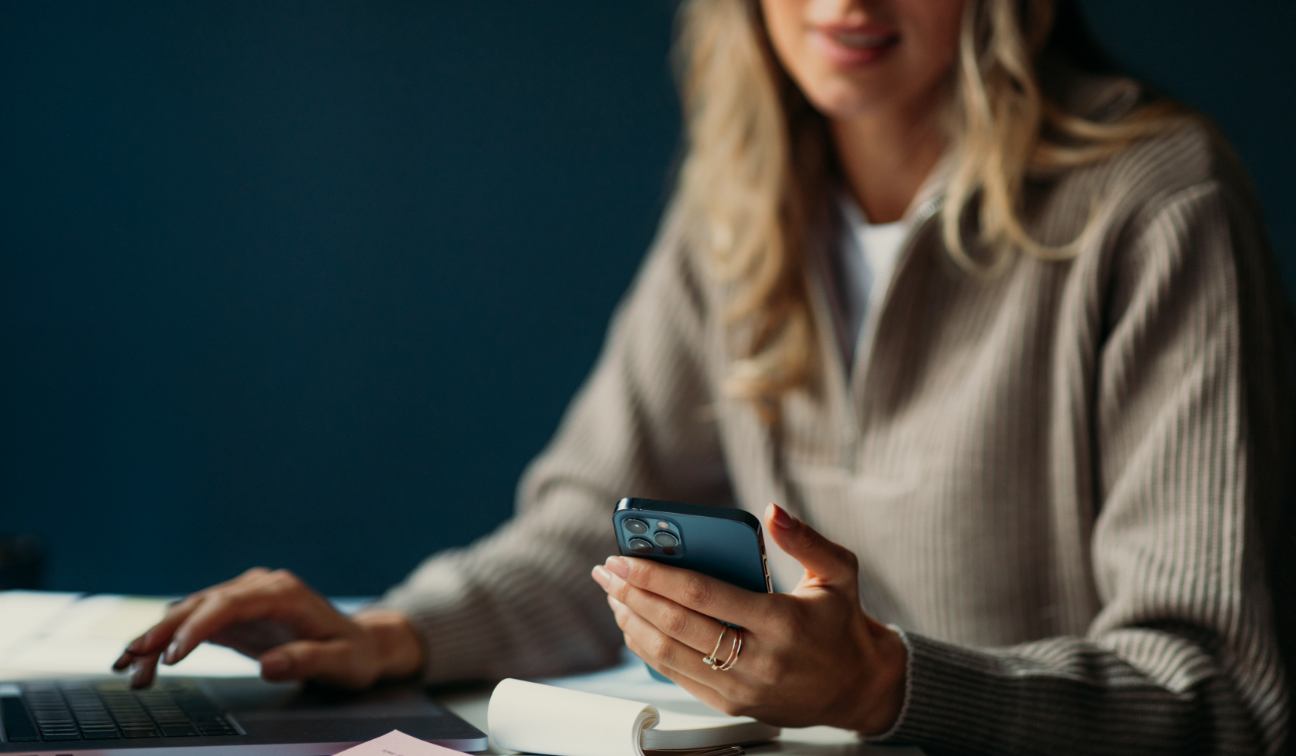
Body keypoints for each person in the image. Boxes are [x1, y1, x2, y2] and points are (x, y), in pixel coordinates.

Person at [116, 0, 1296, 753]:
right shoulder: (743, 199)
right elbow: (592, 528)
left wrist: (884, 683)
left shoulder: (1158, 205)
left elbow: (1217, 698)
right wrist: (392, 633)